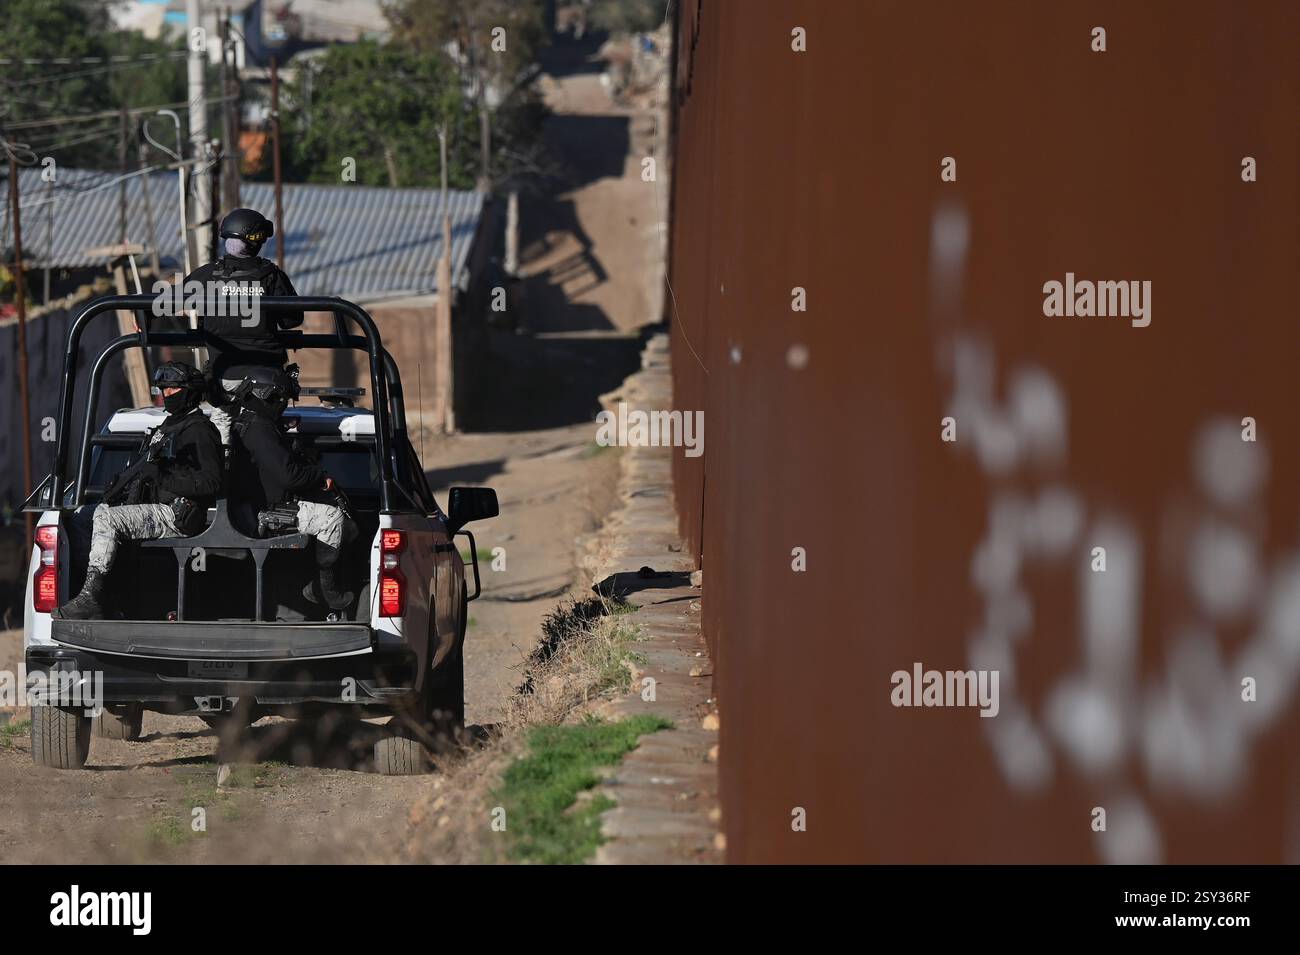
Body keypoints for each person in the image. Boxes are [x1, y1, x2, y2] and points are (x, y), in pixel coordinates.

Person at [55, 362, 222, 620]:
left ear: (189, 392)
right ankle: (106, 594)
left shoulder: (200, 430)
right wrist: (119, 483)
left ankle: (91, 596)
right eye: (163, 389)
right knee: (82, 518)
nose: (166, 395)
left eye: (173, 389)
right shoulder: (167, 427)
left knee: (107, 518)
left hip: (177, 514)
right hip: (153, 507)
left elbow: (212, 482)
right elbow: (145, 468)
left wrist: (164, 478)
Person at [228, 366, 356, 616]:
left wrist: (282, 432)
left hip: (252, 505)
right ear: (266, 396)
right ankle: (324, 588)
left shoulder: (248, 422)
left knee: (341, 520)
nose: (283, 405)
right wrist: (321, 476)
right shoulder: (259, 429)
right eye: (280, 399)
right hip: (264, 512)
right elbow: (290, 476)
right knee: (332, 517)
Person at [183, 208, 300, 445]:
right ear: (255, 243)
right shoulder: (272, 276)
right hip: (267, 382)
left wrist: (143, 315)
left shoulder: (208, 275)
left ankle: (223, 461)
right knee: (265, 440)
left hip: (222, 378)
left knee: (221, 433)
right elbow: (292, 320)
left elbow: (166, 301)